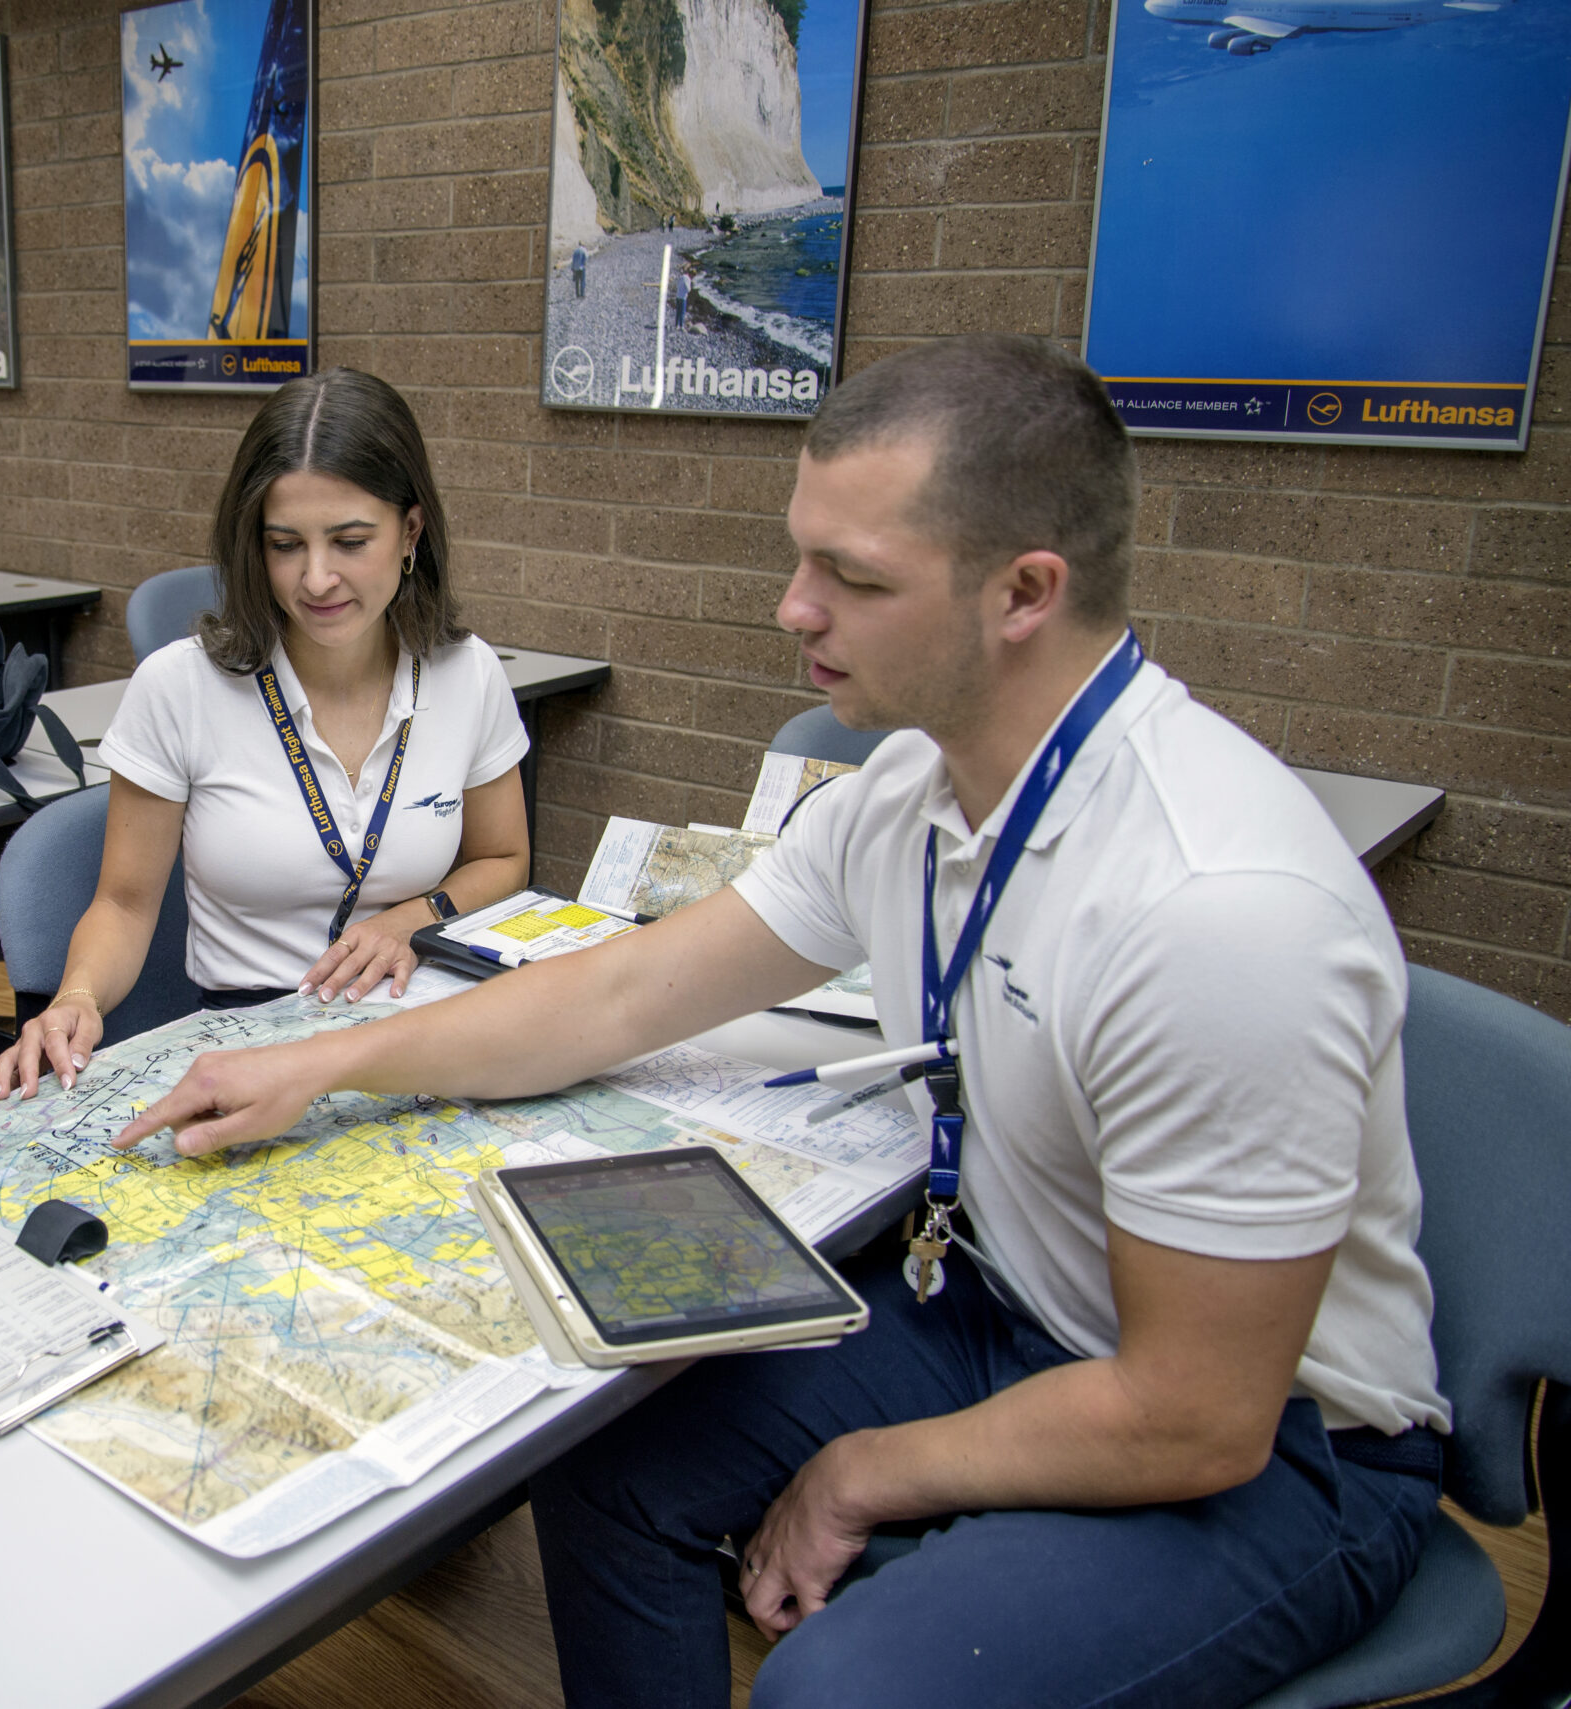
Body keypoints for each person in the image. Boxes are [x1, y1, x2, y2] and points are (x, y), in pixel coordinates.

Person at [110, 334, 1448, 1709]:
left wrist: (861, 1471)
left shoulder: (1216, 911)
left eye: (851, 577)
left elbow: (1194, 1417)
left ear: (1024, 592)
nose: (791, 607)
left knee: (837, 1687)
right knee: (605, 1456)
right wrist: (322, 1066)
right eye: (801, 558)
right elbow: (619, 991)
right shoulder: (910, 793)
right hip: (1004, 1307)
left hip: (1283, 1449)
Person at [0, 367, 531, 1099]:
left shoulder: (467, 674)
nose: (317, 579)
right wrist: (76, 997)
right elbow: (123, 903)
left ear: (410, 532)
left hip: (415, 1033)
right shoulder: (180, 686)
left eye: (350, 541)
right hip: (248, 1044)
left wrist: (415, 918)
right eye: (285, 544)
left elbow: (503, 857)